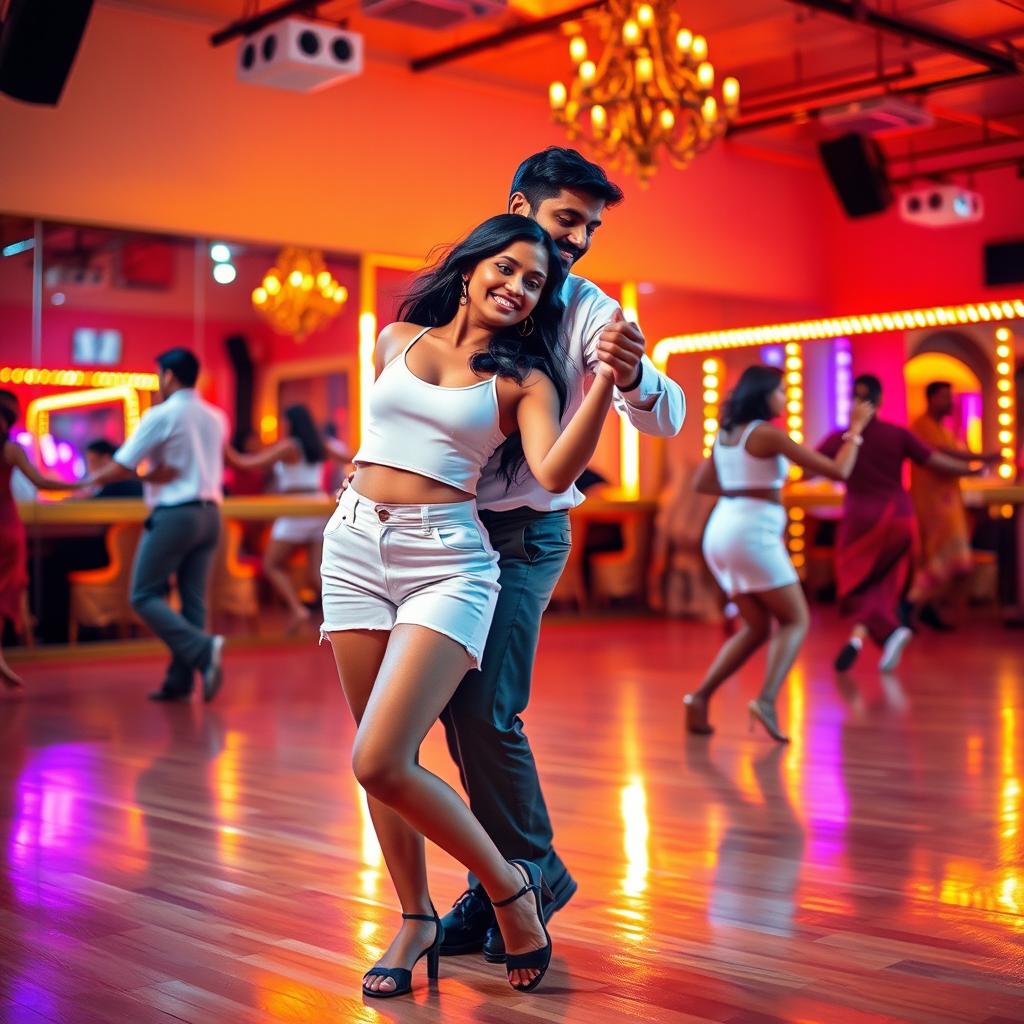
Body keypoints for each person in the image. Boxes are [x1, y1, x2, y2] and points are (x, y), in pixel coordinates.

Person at [321, 214, 618, 998]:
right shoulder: (394, 340)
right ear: (470, 266)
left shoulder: (525, 379)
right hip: (352, 546)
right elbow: (383, 436)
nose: (519, 289)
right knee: (385, 764)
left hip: (446, 560)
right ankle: (416, 916)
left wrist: (609, 386)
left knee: (378, 757)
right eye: (509, 269)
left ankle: (511, 888)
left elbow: (553, 472)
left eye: (536, 284)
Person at [437, 148, 686, 964]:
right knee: (450, 715)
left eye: (591, 227)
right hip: (447, 532)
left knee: (487, 709)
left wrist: (635, 372)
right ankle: (493, 883)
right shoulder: (470, 285)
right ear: (520, 203)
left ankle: (527, 883)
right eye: (567, 219)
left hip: (526, 535)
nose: (579, 240)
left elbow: (668, 416)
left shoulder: (586, 308)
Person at [685, 365, 874, 742]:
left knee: (757, 627)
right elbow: (838, 472)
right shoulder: (766, 433)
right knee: (796, 619)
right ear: (764, 395)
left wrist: (746, 490)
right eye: (781, 392)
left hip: (721, 531)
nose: (785, 398)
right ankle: (767, 701)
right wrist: (855, 430)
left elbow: (702, 482)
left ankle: (699, 698)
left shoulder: (727, 433)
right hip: (751, 534)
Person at [85, 348, 228, 703]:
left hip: (175, 515)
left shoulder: (162, 414)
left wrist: (74, 486)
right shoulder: (216, 417)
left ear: (168, 376)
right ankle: (180, 682)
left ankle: (202, 649)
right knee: (193, 601)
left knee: (143, 593)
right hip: (211, 516)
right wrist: (149, 474)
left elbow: (120, 464)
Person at [817, 374, 982, 674]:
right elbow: (934, 461)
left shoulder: (841, 439)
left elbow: (808, 466)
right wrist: (972, 469)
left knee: (854, 582)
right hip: (900, 518)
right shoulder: (898, 434)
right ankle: (863, 636)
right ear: (880, 401)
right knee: (884, 584)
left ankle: (889, 632)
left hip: (862, 520)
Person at [225, 404, 347, 632]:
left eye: (285, 421)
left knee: (271, 564)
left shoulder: (290, 446)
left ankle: (297, 608)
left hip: (296, 509)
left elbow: (246, 463)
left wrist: (224, 448)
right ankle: (343, 618)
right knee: (315, 574)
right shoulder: (320, 444)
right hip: (318, 508)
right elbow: (351, 456)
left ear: (291, 423)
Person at [0, 390, 86, 688]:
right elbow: (40, 482)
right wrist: (83, 483)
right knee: (7, 588)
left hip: (7, 525)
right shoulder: (11, 450)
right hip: (7, 526)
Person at [906, 381, 999, 629]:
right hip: (932, 505)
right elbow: (941, 456)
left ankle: (926, 607)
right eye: (945, 397)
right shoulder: (921, 427)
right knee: (938, 557)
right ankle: (911, 606)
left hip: (947, 502)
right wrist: (980, 461)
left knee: (951, 559)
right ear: (931, 399)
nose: (951, 402)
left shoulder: (943, 429)